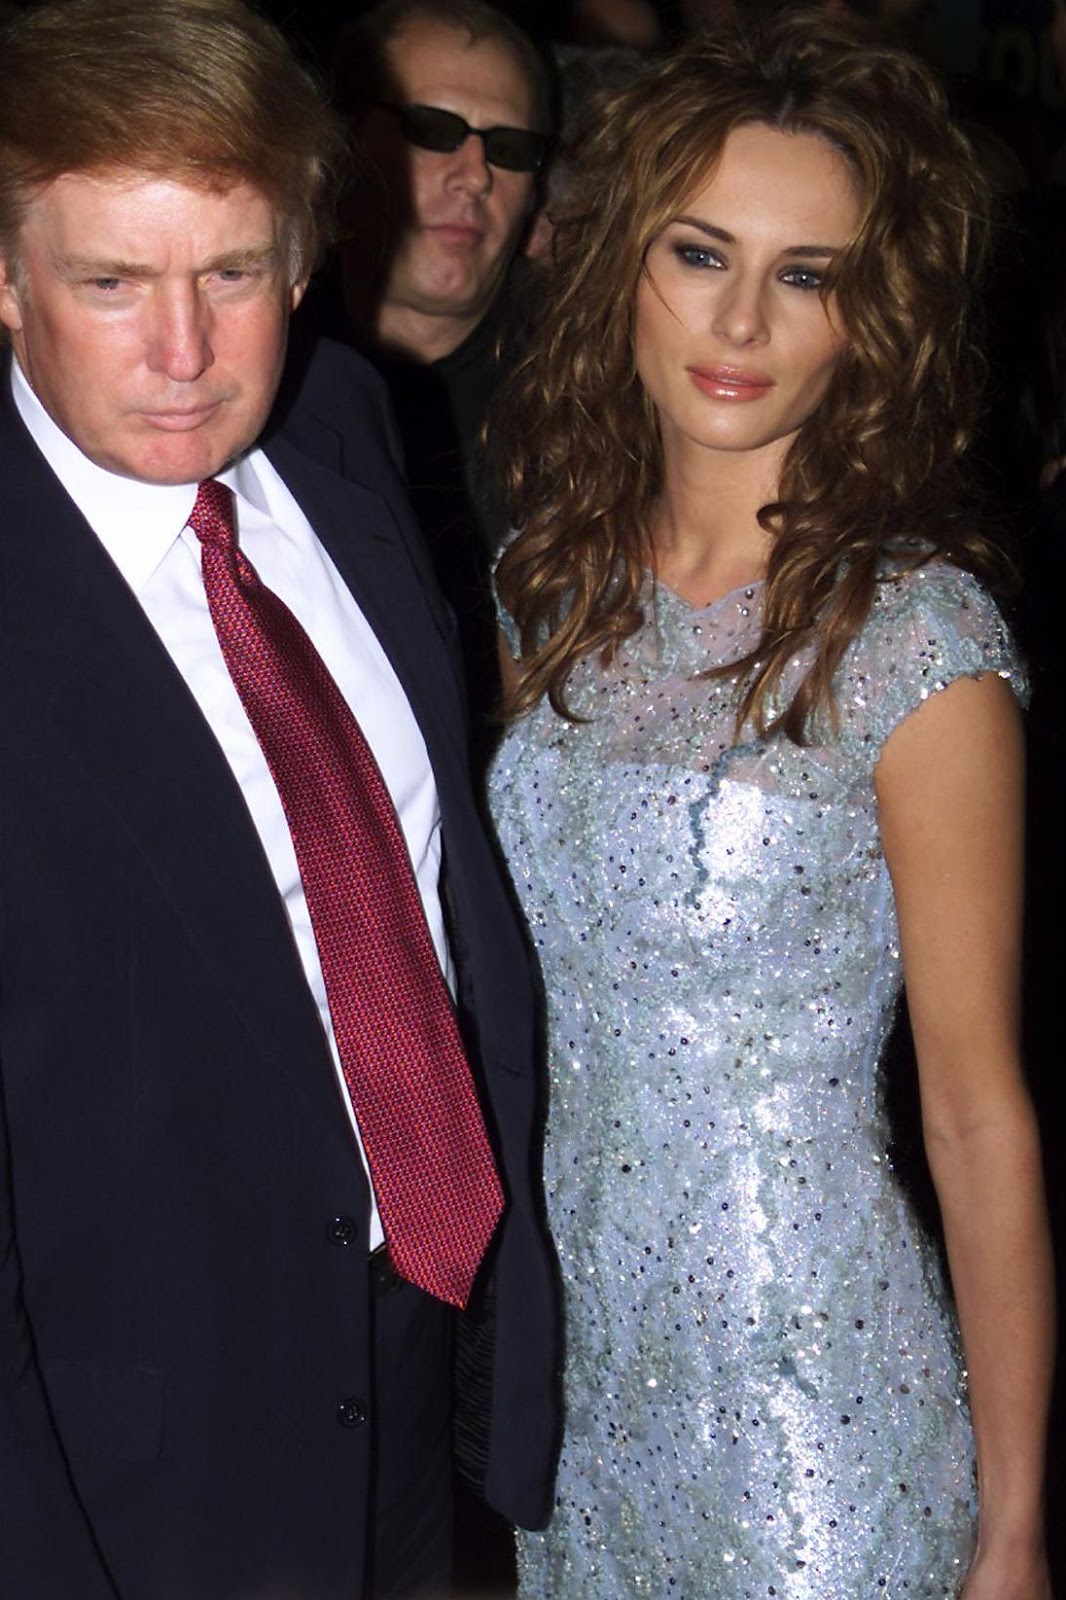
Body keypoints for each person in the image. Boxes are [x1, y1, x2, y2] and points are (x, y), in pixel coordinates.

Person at [489, 12, 1054, 1597]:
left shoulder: (914, 643)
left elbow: (974, 1113)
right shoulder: (541, 589)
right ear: (621, 263)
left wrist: (1015, 1527)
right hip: (578, 1402)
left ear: (870, 321)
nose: (738, 319)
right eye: (699, 253)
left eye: (805, 275)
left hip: (820, 1412)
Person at [0, 1, 558, 1596]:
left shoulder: (339, 426)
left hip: (414, 1360)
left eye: (232, 275)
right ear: (6, 278)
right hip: (130, 1474)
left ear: (307, 261)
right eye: (112, 282)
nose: (185, 355)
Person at [329, 0, 554, 753]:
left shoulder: (599, 409)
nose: (475, 175)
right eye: (433, 130)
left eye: (510, 149)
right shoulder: (238, 382)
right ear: (344, 145)